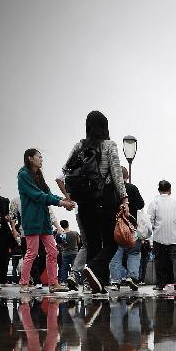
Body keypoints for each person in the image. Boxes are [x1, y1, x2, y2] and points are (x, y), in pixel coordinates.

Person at [64, 111, 128, 294]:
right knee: (112, 242)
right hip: (104, 198)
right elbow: (117, 175)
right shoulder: (109, 145)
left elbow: (65, 170)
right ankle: (92, 269)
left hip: (84, 200)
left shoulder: (79, 146)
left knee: (92, 243)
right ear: (105, 126)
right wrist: (124, 199)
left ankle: (95, 284)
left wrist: (71, 194)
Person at [18, 149, 75, 293]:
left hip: (44, 220)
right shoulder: (24, 175)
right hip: (31, 219)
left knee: (53, 251)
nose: (41, 159)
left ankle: (53, 283)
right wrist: (62, 203)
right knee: (32, 252)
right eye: (39, 157)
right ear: (30, 158)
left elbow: (48, 194)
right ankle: (24, 283)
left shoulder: (38, 175)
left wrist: (64, 200)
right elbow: (38, 196)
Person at [108, 166, 144, 291]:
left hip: (115, 228)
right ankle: (132, 278)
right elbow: (141, 204)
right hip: (131, 227)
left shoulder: (110, 189)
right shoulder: (132, 188)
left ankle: (115, 281)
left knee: (116, 254)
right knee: (133, 253)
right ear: (127, 176)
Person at [147, 180, 176, 292]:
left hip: (159, 236)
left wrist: (154, 229)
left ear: (159, 190)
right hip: (174, 236)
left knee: (160, 260)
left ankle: (160, 284)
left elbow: (150, 220)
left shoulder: (154, 202)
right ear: (170, 190)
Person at [56, 219, 79, 285]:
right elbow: (79, 242)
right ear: (68, 224)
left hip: (65, 253)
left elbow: (59, 244)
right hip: (74, 253)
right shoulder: (75, 233)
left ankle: (63, 281)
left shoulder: (61, 235)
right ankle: (75, 281)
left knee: (64, 268)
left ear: (61, 226)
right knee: (74, 267)